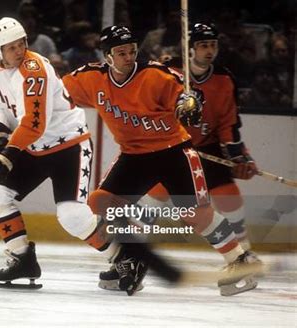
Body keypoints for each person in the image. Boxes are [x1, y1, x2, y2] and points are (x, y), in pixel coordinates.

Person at [0, 18, 181, 294]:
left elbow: (33, 125)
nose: (18, 51)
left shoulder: (34, 71)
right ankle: (22, 260)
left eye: (21, 44)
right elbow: (5, 107)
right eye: (10, 47)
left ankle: (124, 256)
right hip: (33, 146)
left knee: (72, 216)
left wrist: (6, 156)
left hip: (68, 146)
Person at [62, 25, 260, 296]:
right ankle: (129, 260)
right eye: (121, 53)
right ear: (107, 56)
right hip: (133, 155)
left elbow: (189, 94)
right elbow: (57, 94)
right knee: (99, 202)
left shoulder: (155, 74)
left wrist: (189, 105)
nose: (129, 57)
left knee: (193, 213)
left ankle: (239, 260)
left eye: (132, 51)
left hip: (173, 152)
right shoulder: (89, 78)